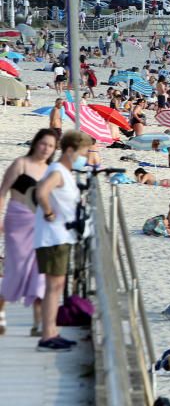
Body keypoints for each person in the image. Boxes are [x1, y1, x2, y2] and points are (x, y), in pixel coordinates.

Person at [33, 130, 91, 351]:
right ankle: (47, 336)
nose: (84, 157)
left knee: (57, 286)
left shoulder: (64, 171)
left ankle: (52, 332)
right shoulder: (58, 171)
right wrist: (48, 213)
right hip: (52, 237)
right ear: (70, 150)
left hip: (60, 236)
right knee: (52, 286)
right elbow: (41, 191)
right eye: (83, 152)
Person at [0, 128, 57, 337]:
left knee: (38, 271)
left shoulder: (51, 170)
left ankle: (38, 322)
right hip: (16, 220)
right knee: (16, 268)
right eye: (43, 144)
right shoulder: (21, 164)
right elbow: (3, 192)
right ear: (36, 143)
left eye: (51, 146)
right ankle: (1, 313)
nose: (46, 149)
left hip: (40, 223)